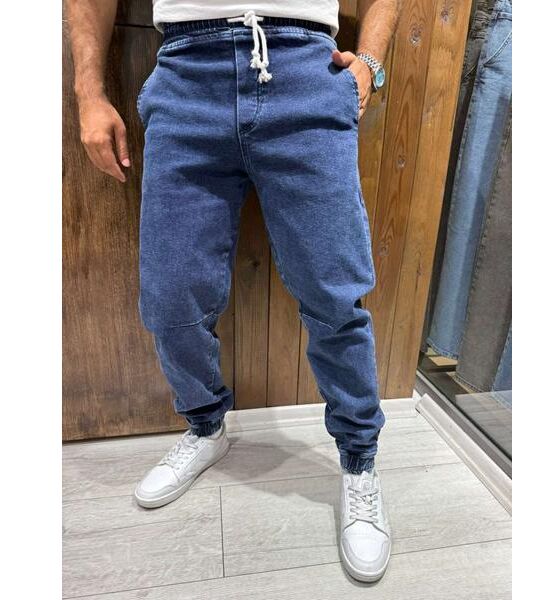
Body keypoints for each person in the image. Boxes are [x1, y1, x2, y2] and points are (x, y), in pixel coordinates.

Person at [67, 0, 400, 582]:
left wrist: (368, 64)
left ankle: (359, 461)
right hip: (186, 75)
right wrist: (87, 92)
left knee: (334, 295)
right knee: (170, 298)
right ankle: (205, 426)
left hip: (306, 70)